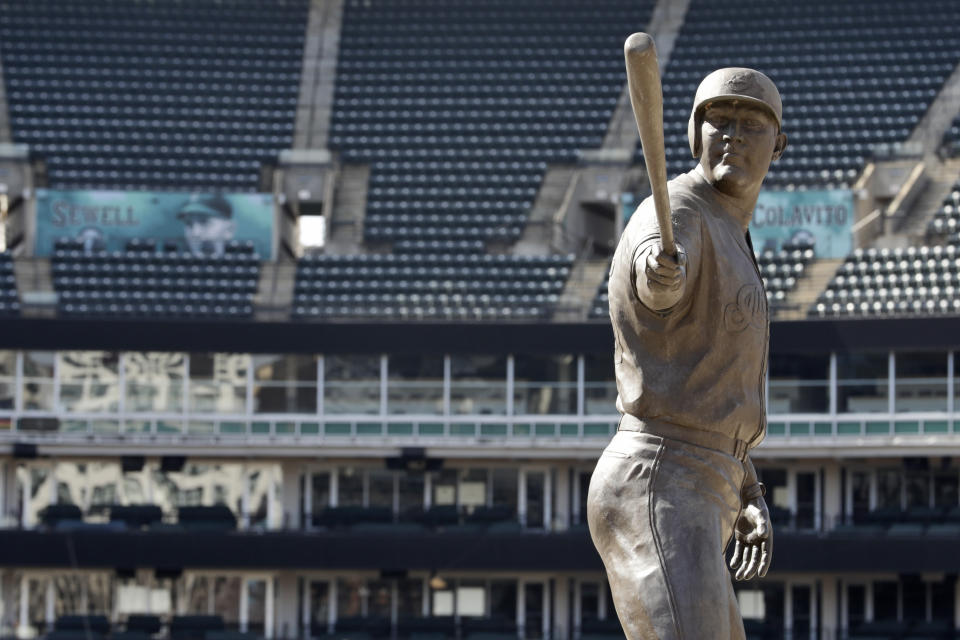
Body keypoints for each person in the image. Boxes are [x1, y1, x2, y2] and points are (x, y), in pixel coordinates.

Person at [587, 68, 788, 640]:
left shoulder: (730, 228)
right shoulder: (680, 212)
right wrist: (660, 274)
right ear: (694, 135)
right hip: (659, 477)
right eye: (717, 121)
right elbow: (656, 269)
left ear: (778, 143)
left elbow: (710, 385)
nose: (732, 134)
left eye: (750, 124)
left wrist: (745, 486)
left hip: (704, 485)